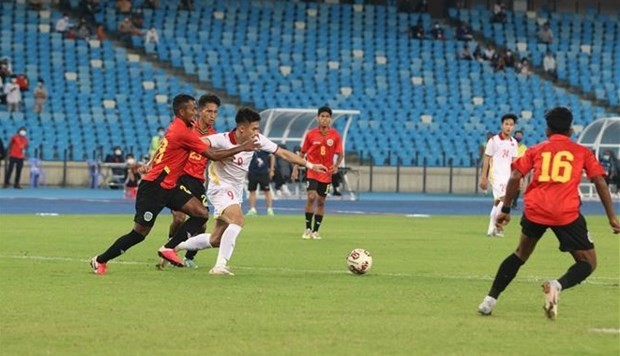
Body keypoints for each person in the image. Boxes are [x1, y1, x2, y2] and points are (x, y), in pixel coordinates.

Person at [90, 94, 259, 275]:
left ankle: (170, 248)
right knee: (139, 234)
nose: (195, 112)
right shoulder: (183, 132)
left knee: (201, 214)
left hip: (171, 185)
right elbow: (212, 155)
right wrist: (242, 147)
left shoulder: (187, 127)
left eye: (197, 108)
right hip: (154, 187)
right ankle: (100, 260)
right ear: (181, 111)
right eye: (193, 109)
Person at [477, 107, 620, 319]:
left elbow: (516, 176)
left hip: (536, 210)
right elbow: (599, 180)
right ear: (571, 130)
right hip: (566, 213)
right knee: (588, 262)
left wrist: (506, 209)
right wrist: (611, 217)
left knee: (520, 254)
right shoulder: (582, 152)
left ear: (547, 130)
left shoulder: (536, 149)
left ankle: (489, 301)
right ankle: (557, 285)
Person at [168, 107, 328, 275]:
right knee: (238, 220)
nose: (257, 132)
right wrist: (217, 153)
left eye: (257, 128)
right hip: (220, 188)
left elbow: (282, 153)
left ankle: (173, 246)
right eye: (254, 128)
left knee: (216, 239)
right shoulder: (221, 139)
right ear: (242, 129)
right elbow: (198, 144)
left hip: (235, 192)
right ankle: (220, 266)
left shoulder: (257, 140)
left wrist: (310, 165)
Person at [163, 94, 219, 269]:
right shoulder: (187, 129)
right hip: (180, 177)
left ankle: (189, 256)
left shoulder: (215, 136)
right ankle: (168, 250)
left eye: (215, 112)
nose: (213, 115)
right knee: (179, 218)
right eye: (209, 111)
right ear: (199, 111)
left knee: (201, 223)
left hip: (198, 181)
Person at [293, 106, 343, 240]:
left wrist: (336, 166)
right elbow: (302, 153)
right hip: (313, 170)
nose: (324, 119)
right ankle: (308, 228)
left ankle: (316, 230)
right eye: (322, 116)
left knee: (321, 201)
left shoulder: (335, 135)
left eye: (327, 117)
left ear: (330, 119)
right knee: (311, 196)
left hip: (326, 173)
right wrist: (296, 168)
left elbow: (340, 154)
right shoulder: (310, 134)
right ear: (317, 118)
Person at [479, 114, 518, 237]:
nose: (508, 127)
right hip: (496, 175)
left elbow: (514, 162)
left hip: (508, 176)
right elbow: (487, 159)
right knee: (504, 199)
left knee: (498, 203)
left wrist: (517, 178)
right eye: (506, 124)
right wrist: (483, 177)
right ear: (502, 125)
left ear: (514, 127)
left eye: (511, 125)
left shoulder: (514, 143)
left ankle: (491, 229)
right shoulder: (494, 141)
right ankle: (498, 226)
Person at [246, 150, 275, 216]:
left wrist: (271, 169)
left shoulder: (264, 146)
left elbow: (272, 156)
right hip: (252, 172)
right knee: (252, 191)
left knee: (267, 190)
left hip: (263, 172)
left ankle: (269, 209)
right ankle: (252, 209)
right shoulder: (250, 146)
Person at [511, 130, 527, 209]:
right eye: (517, 135)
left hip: (519, 169)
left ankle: (514, 202)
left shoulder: (524, 148)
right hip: (509, 168)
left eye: (520, 135)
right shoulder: (510, 145)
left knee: (518, 186)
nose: (518, 137)